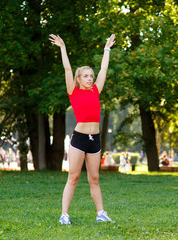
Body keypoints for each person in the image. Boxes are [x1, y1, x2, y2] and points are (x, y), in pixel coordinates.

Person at [49, 33, 115, 225]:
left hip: (94, 139)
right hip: (78, 139)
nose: (89, 78)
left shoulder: (96, 90)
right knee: (74, 177)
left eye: (91, 76)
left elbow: (104, 68)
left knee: (94, 178)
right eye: (85, 76)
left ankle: (101, 213)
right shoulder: (73, 92)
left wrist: (107, 49)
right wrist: (62, 48)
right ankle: (64, 215)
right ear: (78, 79)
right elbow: (67, 68)